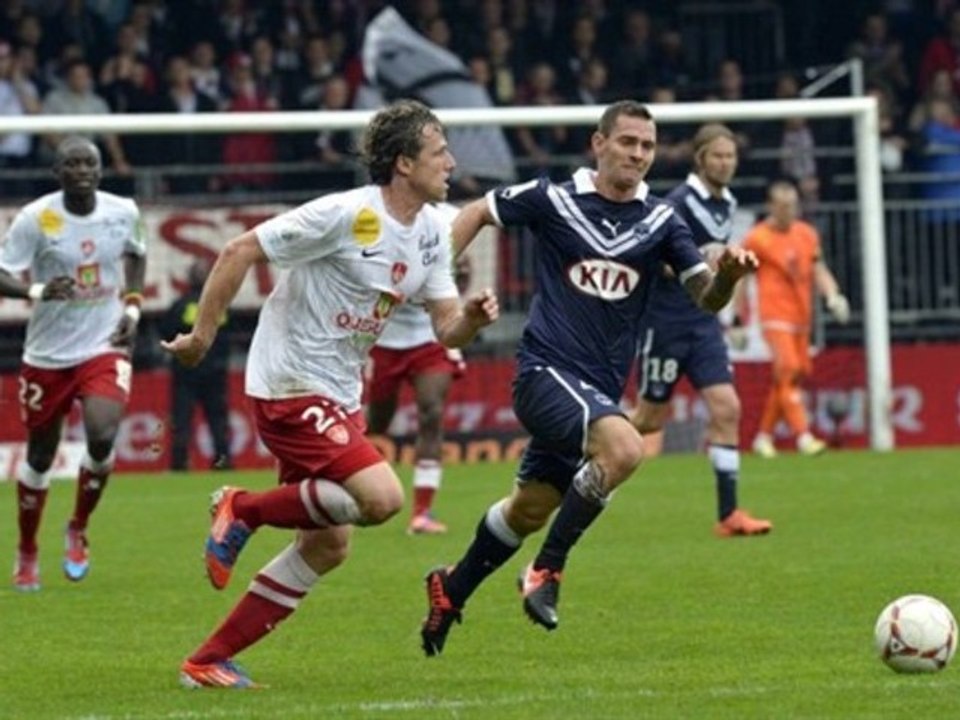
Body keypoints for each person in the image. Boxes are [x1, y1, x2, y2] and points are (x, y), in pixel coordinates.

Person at [162, 99, 499, 689]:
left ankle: (206, 661)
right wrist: (202, 337)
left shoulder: (430, 234)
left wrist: (470, 319)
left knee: (327, 546)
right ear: (403, 163)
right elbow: (240, 250)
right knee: (382, 498)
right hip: (290, 382)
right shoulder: (344, 214)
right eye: (439, 151)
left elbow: (446, 327)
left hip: (338, 392)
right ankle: (242, 508)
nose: (451, 162)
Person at [419, 100, 757, 657]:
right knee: (624, 448)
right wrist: (435, 278)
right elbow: (478, 209)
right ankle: (546, 570)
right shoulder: (553, 199)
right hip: (543, 374)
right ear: (599, 144)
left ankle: (451, 589)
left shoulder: (661, 221)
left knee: (528, 510)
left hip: (594, 393)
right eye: (628, 142)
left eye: (647, 146)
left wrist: (727, 279)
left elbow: (705, 297)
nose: (638, 154)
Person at [0, 136, 146, 591]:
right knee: (40, 456)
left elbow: (137, 254)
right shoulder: (36, 218)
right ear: (57, 172)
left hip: (104, 344)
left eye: (89, 163)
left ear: (100, 170)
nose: (82, 170)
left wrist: (132, 308)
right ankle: (27, 548)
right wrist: (36, 291)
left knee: (102, 435)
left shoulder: (123, 211)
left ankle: (78, 527)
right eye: (73, 164)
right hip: (47, 354)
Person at [632, 124, 772, 538]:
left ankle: (729, 514)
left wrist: (734, 308)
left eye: (731, 156)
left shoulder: (728, 203)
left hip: (704, 322)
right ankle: (582, 444)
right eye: (718, 156)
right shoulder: (677, 203)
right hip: (667, 322)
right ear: (700, 159)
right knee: (648, 420)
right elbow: (653, 258)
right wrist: (692, 263)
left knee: (727, 408)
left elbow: (722, 265)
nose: (726, 163)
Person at [742, 180, 850, 458]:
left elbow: (818, 268)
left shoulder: (807, 234)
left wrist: (833, 295)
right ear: (770, 206)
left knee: (792, 377)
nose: (787, 211)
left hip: (802, 317)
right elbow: (742, 279)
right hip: (774, 316)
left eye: (791, 206)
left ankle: (763, 437)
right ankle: (804, 436)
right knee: (788, 368)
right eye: (782, 206)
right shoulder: (757, 238)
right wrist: (739, 319)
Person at [365, 252, 470, 535]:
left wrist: (454, 281)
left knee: (431, 412)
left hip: (431, 337)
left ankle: (422, 513)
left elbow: (463, 267)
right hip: (383, 339)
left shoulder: (441, 232)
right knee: (377, 423)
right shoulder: (379, 237)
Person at [160, 257, 232, 472]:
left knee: (182, 420)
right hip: (215, 373)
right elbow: (228, 335)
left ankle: (180, 464)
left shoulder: (180, 305)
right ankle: (223, 462)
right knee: (217, 420)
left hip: (186, 373)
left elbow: (166, 332)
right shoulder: (219, 306)